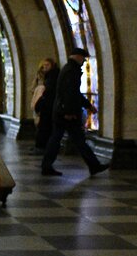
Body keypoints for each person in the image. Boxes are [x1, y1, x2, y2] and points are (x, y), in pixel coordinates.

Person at [41, 47, 109, 176]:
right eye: (83, 58)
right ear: (77, 57)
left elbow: (74, 93)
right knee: (72, 140)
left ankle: (47, 165)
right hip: (66, 114)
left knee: (62, 139)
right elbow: (69, 93)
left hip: (62, 111)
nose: (84, 62)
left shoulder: (69, 69)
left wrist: (88, 105)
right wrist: (69, 112)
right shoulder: (71, 71)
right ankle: (94, 165)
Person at [31, 57, 58, 151]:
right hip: (45, 105)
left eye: (47, 65)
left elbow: (48, 92)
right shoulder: (47, 77)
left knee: (45, 127)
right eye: (43, 66)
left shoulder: (52, 78)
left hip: (48, 106)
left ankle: (42, 146)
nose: (45, 67)